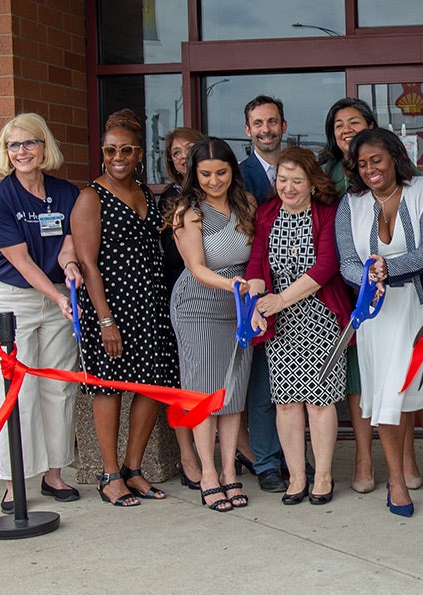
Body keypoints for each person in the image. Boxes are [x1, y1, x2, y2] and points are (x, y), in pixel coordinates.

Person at [334, 128, 423, 517]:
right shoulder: (352, 204)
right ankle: (396, 479)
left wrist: (387, 267)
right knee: (388, 395)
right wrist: (367, 278)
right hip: (377, 314)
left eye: (376, 160)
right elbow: (346, 259)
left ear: (395, 157)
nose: (369, 170)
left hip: (421, 305)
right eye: (361, 165)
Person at [72, 108, 178, 507]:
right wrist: (104, 320)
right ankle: (109, 473)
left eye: (127, 150)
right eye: (111, 150)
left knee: (152, 385)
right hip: (111, 306)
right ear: (102, 151)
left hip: (150, 303)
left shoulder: (146, 194)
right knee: (110, 386)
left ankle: (133, 469)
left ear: (139, 155)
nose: (118, 157)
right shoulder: (90, 197)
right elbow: (88, 264)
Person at [0, 113, 83, 513]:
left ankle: (54, 473)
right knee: (15, 392)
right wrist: (56, 295)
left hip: (57, 294)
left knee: (58, 387)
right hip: (14, 299)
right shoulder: (0, 196)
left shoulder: (64, 192)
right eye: (13, 145)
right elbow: (21, 261)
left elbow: (66, 244)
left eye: (29, 143)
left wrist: (72, 268)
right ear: (6, 152)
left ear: (45, 147)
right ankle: (13, 481)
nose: (21, 152)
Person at [246, 147, 352, 505]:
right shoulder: (266, 214)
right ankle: (296, 476)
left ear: (311, 183)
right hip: (282, 325)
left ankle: (322, 476)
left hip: (320, 318)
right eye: (282, 179)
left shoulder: (327, 214)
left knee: (320, 403)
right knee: (287, 403)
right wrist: (257, 301)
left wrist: (279, 299)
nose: (287, 187)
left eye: (296, 180)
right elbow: (257, 266)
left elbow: (325, 267)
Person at [165, 136, 255, 512]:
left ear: (233, 171)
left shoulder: (247, 204)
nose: (214, 180)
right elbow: (197, 268)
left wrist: (250, 289)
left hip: (240, 305)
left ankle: (230, 471)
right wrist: (234, 284)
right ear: (193, 174)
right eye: (205, 174)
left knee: (233, 392)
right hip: (199, 303)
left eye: (221, 172)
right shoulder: (188, 212)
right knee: (205, 394)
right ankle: (207, 474)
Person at [319, 97, 379, 493]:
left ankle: (379, 456)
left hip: (377, 279)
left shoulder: (382, 167)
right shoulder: (322, 171)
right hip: (330, 283)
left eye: (354, 121)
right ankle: (358, 458)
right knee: (353, 374)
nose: (345, 129)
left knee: (379, 370)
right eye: (338, 124)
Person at [238, 95, 292, 494]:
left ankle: (294, 456)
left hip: (298, 288)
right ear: (248, 131)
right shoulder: (237, 175)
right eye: (258, 123)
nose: (266, 129)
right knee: (263, 384)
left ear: (283, 126)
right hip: (255, 285)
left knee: (294, 382)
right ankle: (267, 461)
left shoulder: (297, 169)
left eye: (272, 122)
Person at [158, 126, 204, 491]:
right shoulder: (170, 201)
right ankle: (187, 454)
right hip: (182, 294)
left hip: (221, 297)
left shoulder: (218, 191)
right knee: (184, 378)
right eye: (176, 151)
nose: (184, 156)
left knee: (219, 378)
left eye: (191, 149)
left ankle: (237, 448)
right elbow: (174, 255)